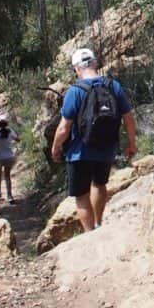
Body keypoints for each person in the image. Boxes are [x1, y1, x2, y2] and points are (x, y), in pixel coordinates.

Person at [50, 48, 137, 232]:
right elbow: (129, 119)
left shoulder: (75, 91)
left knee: (81, 195)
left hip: (79, 152)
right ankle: (98, 224)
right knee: (99, 184)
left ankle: (90, 233)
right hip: (106, 148)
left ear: (76, 69)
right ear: (95, 63)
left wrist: (56, 147)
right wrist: (131, 144)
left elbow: (64, 128)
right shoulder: (113, 86)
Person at [0, 114, 19, 204]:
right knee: (7, 176)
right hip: (9, 156)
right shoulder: (10, 131)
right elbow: (17, 139)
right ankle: (10, 196)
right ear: (6, 123)